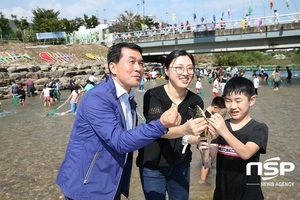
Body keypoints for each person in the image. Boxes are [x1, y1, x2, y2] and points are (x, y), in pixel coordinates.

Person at [56, 43, 189, 200]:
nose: (138, 68)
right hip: (87, 184)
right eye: (131, 62)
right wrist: (161, 124)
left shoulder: (128, 98)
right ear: (113, 67)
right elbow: (120, 141)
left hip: (111, 182)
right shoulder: (98, 98)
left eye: (141, 63)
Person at [136, 49, 211, 200]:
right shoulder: (153, 95)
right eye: (179, 68)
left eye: (190, 68)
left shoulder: (196, 101)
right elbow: (157, 129)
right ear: (166, 70)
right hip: (152, 166)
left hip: (180, 164)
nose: (185, 73)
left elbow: (191, 136)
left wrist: (201, 139)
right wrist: (184, 129)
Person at [199, 77, 268, 200]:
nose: (233, 106)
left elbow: (246, 153)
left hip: (249, 194)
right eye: (228, 101)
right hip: (222, 193)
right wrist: (204, 148)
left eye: (238, 100)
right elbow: (208, 163)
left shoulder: (259, 128)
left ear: (252, 100)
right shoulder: (221, 127)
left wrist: (223, 131)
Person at [199, 96, 226, 184]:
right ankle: (202, 182)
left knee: (205, 161)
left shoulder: (203, 114)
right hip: (211, 142)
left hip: (202, 142)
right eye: (220, 110)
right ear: (215, 108)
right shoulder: (210, 118)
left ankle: (204, 179)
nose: (221, 113)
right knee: (208, 161)